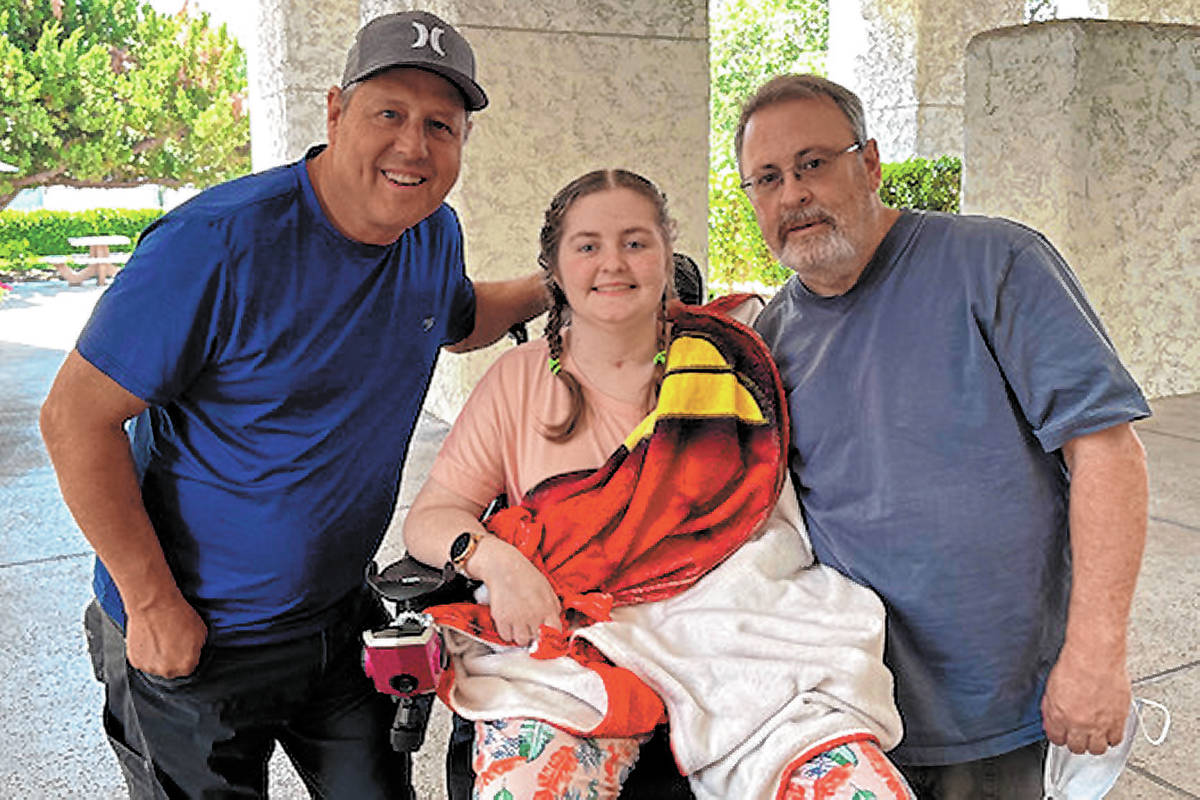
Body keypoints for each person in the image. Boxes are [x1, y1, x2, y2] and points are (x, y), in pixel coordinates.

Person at [38, 11, 547, 799]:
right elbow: (75, 418)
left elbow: (456, 315)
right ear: (336, 110)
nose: (414, 146)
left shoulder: (432, 232)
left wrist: (580, 279)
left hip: (335, 620)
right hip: (195, 636)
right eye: (390, 114)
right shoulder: (215, 244)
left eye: (440, 126)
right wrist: (151, 602)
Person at [402, 168, 914, 800]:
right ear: (555, 270)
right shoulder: (517, 380)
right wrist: (497, 563)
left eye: (636, 242)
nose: (613, 263)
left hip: (739, 633)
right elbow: (432, 517)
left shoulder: (731, 362)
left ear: (668, 254)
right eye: (587, 245)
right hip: (575, 647)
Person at [736, 74, 1151, 798]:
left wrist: (1096, 652)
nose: (792, 194)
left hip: (1004, 707)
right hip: (851, 711)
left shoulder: (999, 265)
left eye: (813, 164)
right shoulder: (770, 338)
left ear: (869, 164)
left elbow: (1108, 453)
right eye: (766, 179)